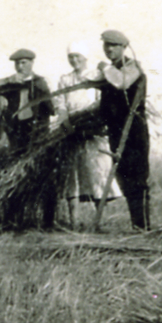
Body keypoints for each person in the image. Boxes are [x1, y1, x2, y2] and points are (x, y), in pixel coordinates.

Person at [0, 49, 56, 228]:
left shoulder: (40, 82)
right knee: (15, 176)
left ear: (32, 63)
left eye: (24, 62)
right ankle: (14, 219)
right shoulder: (11, 84)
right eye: (17, 63)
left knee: (44, 177)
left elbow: (51, 109)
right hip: (18, 137)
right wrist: (7, 81)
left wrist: (42, 91)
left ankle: (47, 222)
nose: (20, 66)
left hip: (38, 135)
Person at [87, 30, 151, 231]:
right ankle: (137, 224)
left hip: (133, 130)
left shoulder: (132, 67)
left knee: (137, 177)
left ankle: (143, 225)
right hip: (116, 130)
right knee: (123, 177)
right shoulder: (110, 70)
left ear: (124, 47)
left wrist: (105, 68)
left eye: (113, 45)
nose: (109, 49)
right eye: (106, 45)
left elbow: (122, 82)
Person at [57, 40, 120, 227]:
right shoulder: (65, 79)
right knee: (72, 175)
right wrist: (66, 121)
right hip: (71, 132)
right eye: (71, 57)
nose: (74, 60)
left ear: (85, 57)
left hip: (93, 131)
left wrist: (92, 123)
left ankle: (98, 220)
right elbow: (60, 103)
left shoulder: (96, 76)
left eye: (77, 56)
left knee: (98, 172)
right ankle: (73, 220)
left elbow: (102, 103)